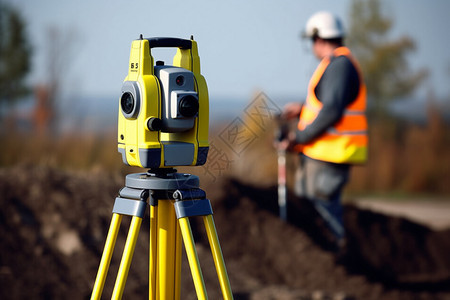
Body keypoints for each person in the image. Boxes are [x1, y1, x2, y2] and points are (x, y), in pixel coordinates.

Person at [279, 11, 368, 250]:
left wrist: (298, 138)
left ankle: (339, 263)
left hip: (330, 155)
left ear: (319, 39)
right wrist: (303, 109)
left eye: (312, 41)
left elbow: (331, 112)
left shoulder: (339, 66)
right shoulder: (338, 64)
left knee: (324, 215)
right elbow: (329, 106)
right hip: (324, 155)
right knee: (316, 212)